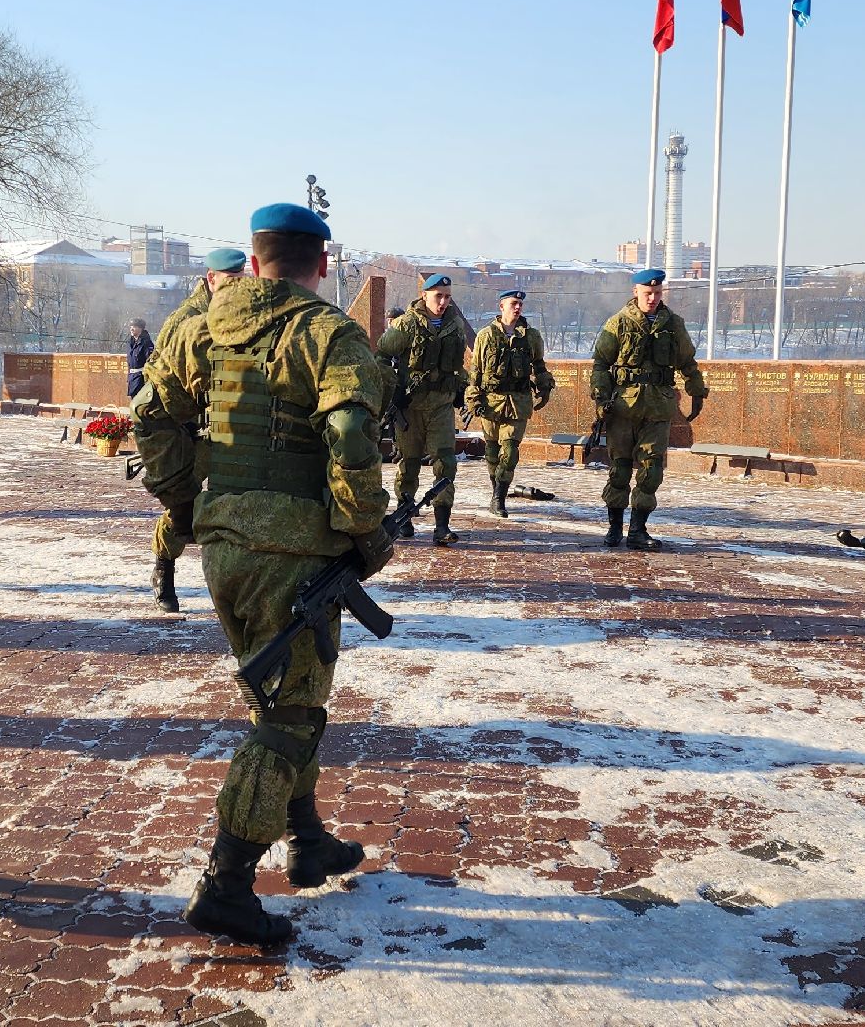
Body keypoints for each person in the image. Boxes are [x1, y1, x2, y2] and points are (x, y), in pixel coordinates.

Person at [132, 202, 393, 948]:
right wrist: (361, 526)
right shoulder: (327, 333)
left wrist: (183, 505)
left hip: (223, 540)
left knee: (275, 692)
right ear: (320, 264)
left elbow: (150, 416)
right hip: (294, 549)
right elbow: (347, 431)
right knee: (287, 716)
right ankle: (226, 884)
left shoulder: (196, 326)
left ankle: (307, 838)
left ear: (251, 262)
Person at [145, 247, 248, 612]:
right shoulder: (189, 319)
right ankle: (164, 566)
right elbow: (193, 381)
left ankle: (233, 585)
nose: (236, 289)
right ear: (211, 279)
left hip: (221, 425)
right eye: (229, 282)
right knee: (183, 514)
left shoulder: (237, 316)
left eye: (242, 282)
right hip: (181, 427)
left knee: (230, 502)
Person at [590, 269, 707, 550]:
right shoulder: (618, 323)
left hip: (658, 406)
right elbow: (600, 365)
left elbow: (687, 362)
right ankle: (615, 526)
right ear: (636, 292)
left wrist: (697, 390)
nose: (652, 298)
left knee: (651, 469)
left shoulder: (672, 325)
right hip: (623, 406)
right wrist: (601, 399)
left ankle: (638, 530)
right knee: (619, 470)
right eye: (647, 293)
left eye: (657, 293)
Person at [376, 274, 469, 545]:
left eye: (447, 296)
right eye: (438, 296)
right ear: (425, 295)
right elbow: (381, 355)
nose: (443, 302)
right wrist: (393, 390)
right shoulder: (406, 324)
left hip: (440, 405)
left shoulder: (455, 325)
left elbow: (457, 364)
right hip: (411, 406)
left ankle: (442, 525)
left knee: (445, 460)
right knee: (409, 461)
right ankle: (404, 516)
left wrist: (461, 387)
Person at [465, 290, 552, 518]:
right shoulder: (486, 336)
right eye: (513, 303)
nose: (517, 307)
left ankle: (499, 498)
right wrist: (473, 398)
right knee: (492, 452)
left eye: (520, 304)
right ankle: (497, 490)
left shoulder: (531, 336)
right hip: (491, 403)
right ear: (501, 306)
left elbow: (539, 365)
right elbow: (476, 371)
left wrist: (545, 387)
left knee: (510, 451)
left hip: (518, 401)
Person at [125, 317, 153, 399]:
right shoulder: (130, 343)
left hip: (141, 379)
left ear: (140, 328)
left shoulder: (146, 343)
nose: (131, 329)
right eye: (130, 327)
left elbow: (150, 361)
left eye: (134, 327)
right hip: (132, 378)